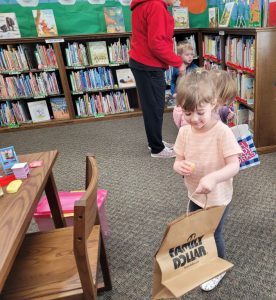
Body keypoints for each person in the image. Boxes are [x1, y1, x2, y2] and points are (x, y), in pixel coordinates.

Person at [173, 69, 242, 291]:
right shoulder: (185, 132)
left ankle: (218, 268)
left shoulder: (222, 133)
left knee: (213, 233)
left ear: (213, 103)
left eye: (200, 113)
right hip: (194, 193)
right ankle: (203, 260)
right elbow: (178, 160)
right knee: (196, 230)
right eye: (187, 113)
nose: (194, 119)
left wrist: (213, 177)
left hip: (218, 196)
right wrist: (178, 166)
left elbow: (235, 165)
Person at [129, 0, 185, 158]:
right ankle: (157, 149)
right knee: (154, 107)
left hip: (142, 62)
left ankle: (155, 142)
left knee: (151, 106)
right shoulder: (155, 5)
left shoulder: (148, 3)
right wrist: (178, 62)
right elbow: (156, 43)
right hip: (148, 64)